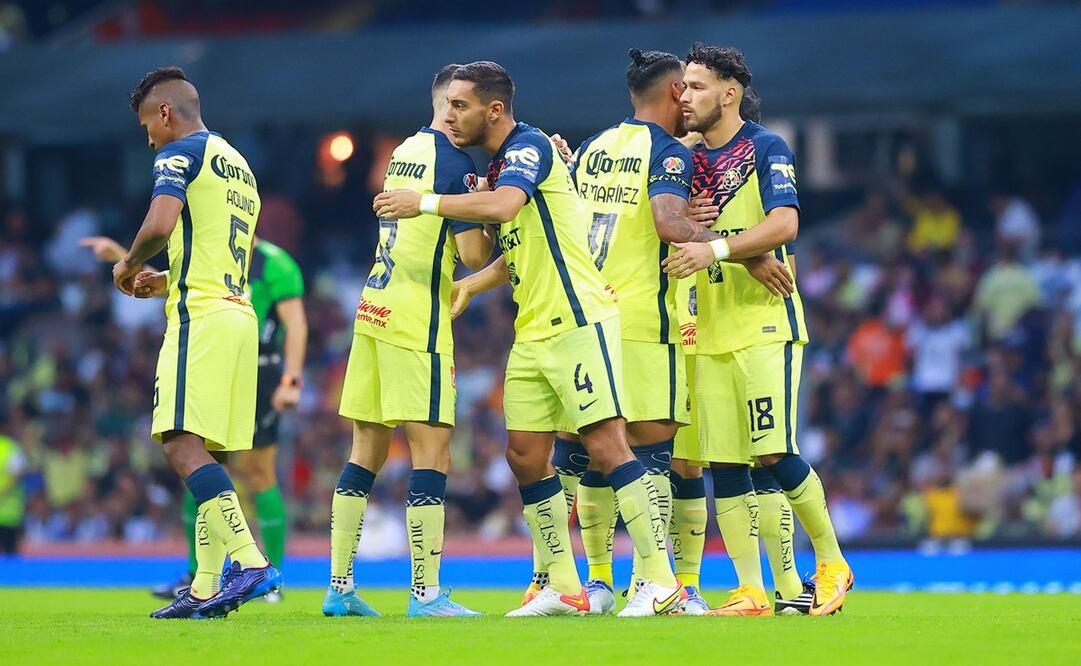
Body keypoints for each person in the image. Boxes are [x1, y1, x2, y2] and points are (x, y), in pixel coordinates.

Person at [375, 61, 683, 617]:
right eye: (448, 104)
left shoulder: (530, 146)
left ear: (494, 109)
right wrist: (474, 281)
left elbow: (505, 206)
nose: (449, 114)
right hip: (533, 330)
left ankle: (661, 582)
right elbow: (523, 243)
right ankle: (563, 587)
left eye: (461, 105)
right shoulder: (500, 162)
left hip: (578, 321)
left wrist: (420, 201)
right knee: (524, 454)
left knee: (607, 443)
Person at [537, 49, 792, 616]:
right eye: (690, 88)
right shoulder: (670, 151)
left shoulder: (596, 148)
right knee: (668, 455)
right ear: (677, 92)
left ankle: (593, 581)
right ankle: (667, 584)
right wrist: (738, 251)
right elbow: (668, 222)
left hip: (591, 317)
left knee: (593, 446)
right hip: (656, 321)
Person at [663, 44, 852, 616]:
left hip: (765, 323)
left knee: (773, 449)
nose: (684, 96)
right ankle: (750, 589)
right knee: (725, 461)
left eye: (695, 86)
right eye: (681, 86)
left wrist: (716, 247)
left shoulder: (766, 147)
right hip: (707, 325)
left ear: (729, 92)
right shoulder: (683, 158)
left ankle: (832, 561)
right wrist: (740, 252)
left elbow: (785, 222)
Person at [114, 66, 280, 619]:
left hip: (202, 319)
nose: (149, 138)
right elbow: (223, 249)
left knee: (180, 444)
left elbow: (162, 226)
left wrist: (129, 263)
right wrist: (165, 280)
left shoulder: (178, 153)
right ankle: (206, 588)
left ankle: (250, 562)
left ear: (166, 113)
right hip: (239, 313)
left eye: (147, 125)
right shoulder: (238, 164)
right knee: (212, 454)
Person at [327, 64, 492, 618]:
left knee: (365, 451)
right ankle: (425, 594)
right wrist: (487, 207)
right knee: (433, 450)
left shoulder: (402, 152)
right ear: (451, 103)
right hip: (415, 318)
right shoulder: (453, 162)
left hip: (373, 308)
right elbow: (473, 257)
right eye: (462, 104)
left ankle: (340, 587)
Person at [82, 233, 307, 602]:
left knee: (256, 472)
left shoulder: (275, 264)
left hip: (259, 369)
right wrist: (124, 256)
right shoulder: (218, 253)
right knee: (200, 462)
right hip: (214, 357)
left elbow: (295, 324)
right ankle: (198, 575)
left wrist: (291, 379)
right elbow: (178, 284)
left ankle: (271, 581)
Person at [0, 415, 25, 555]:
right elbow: (16, 475)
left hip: (9, 515)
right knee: (10, 558)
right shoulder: (12, 448)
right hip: (10, 514)